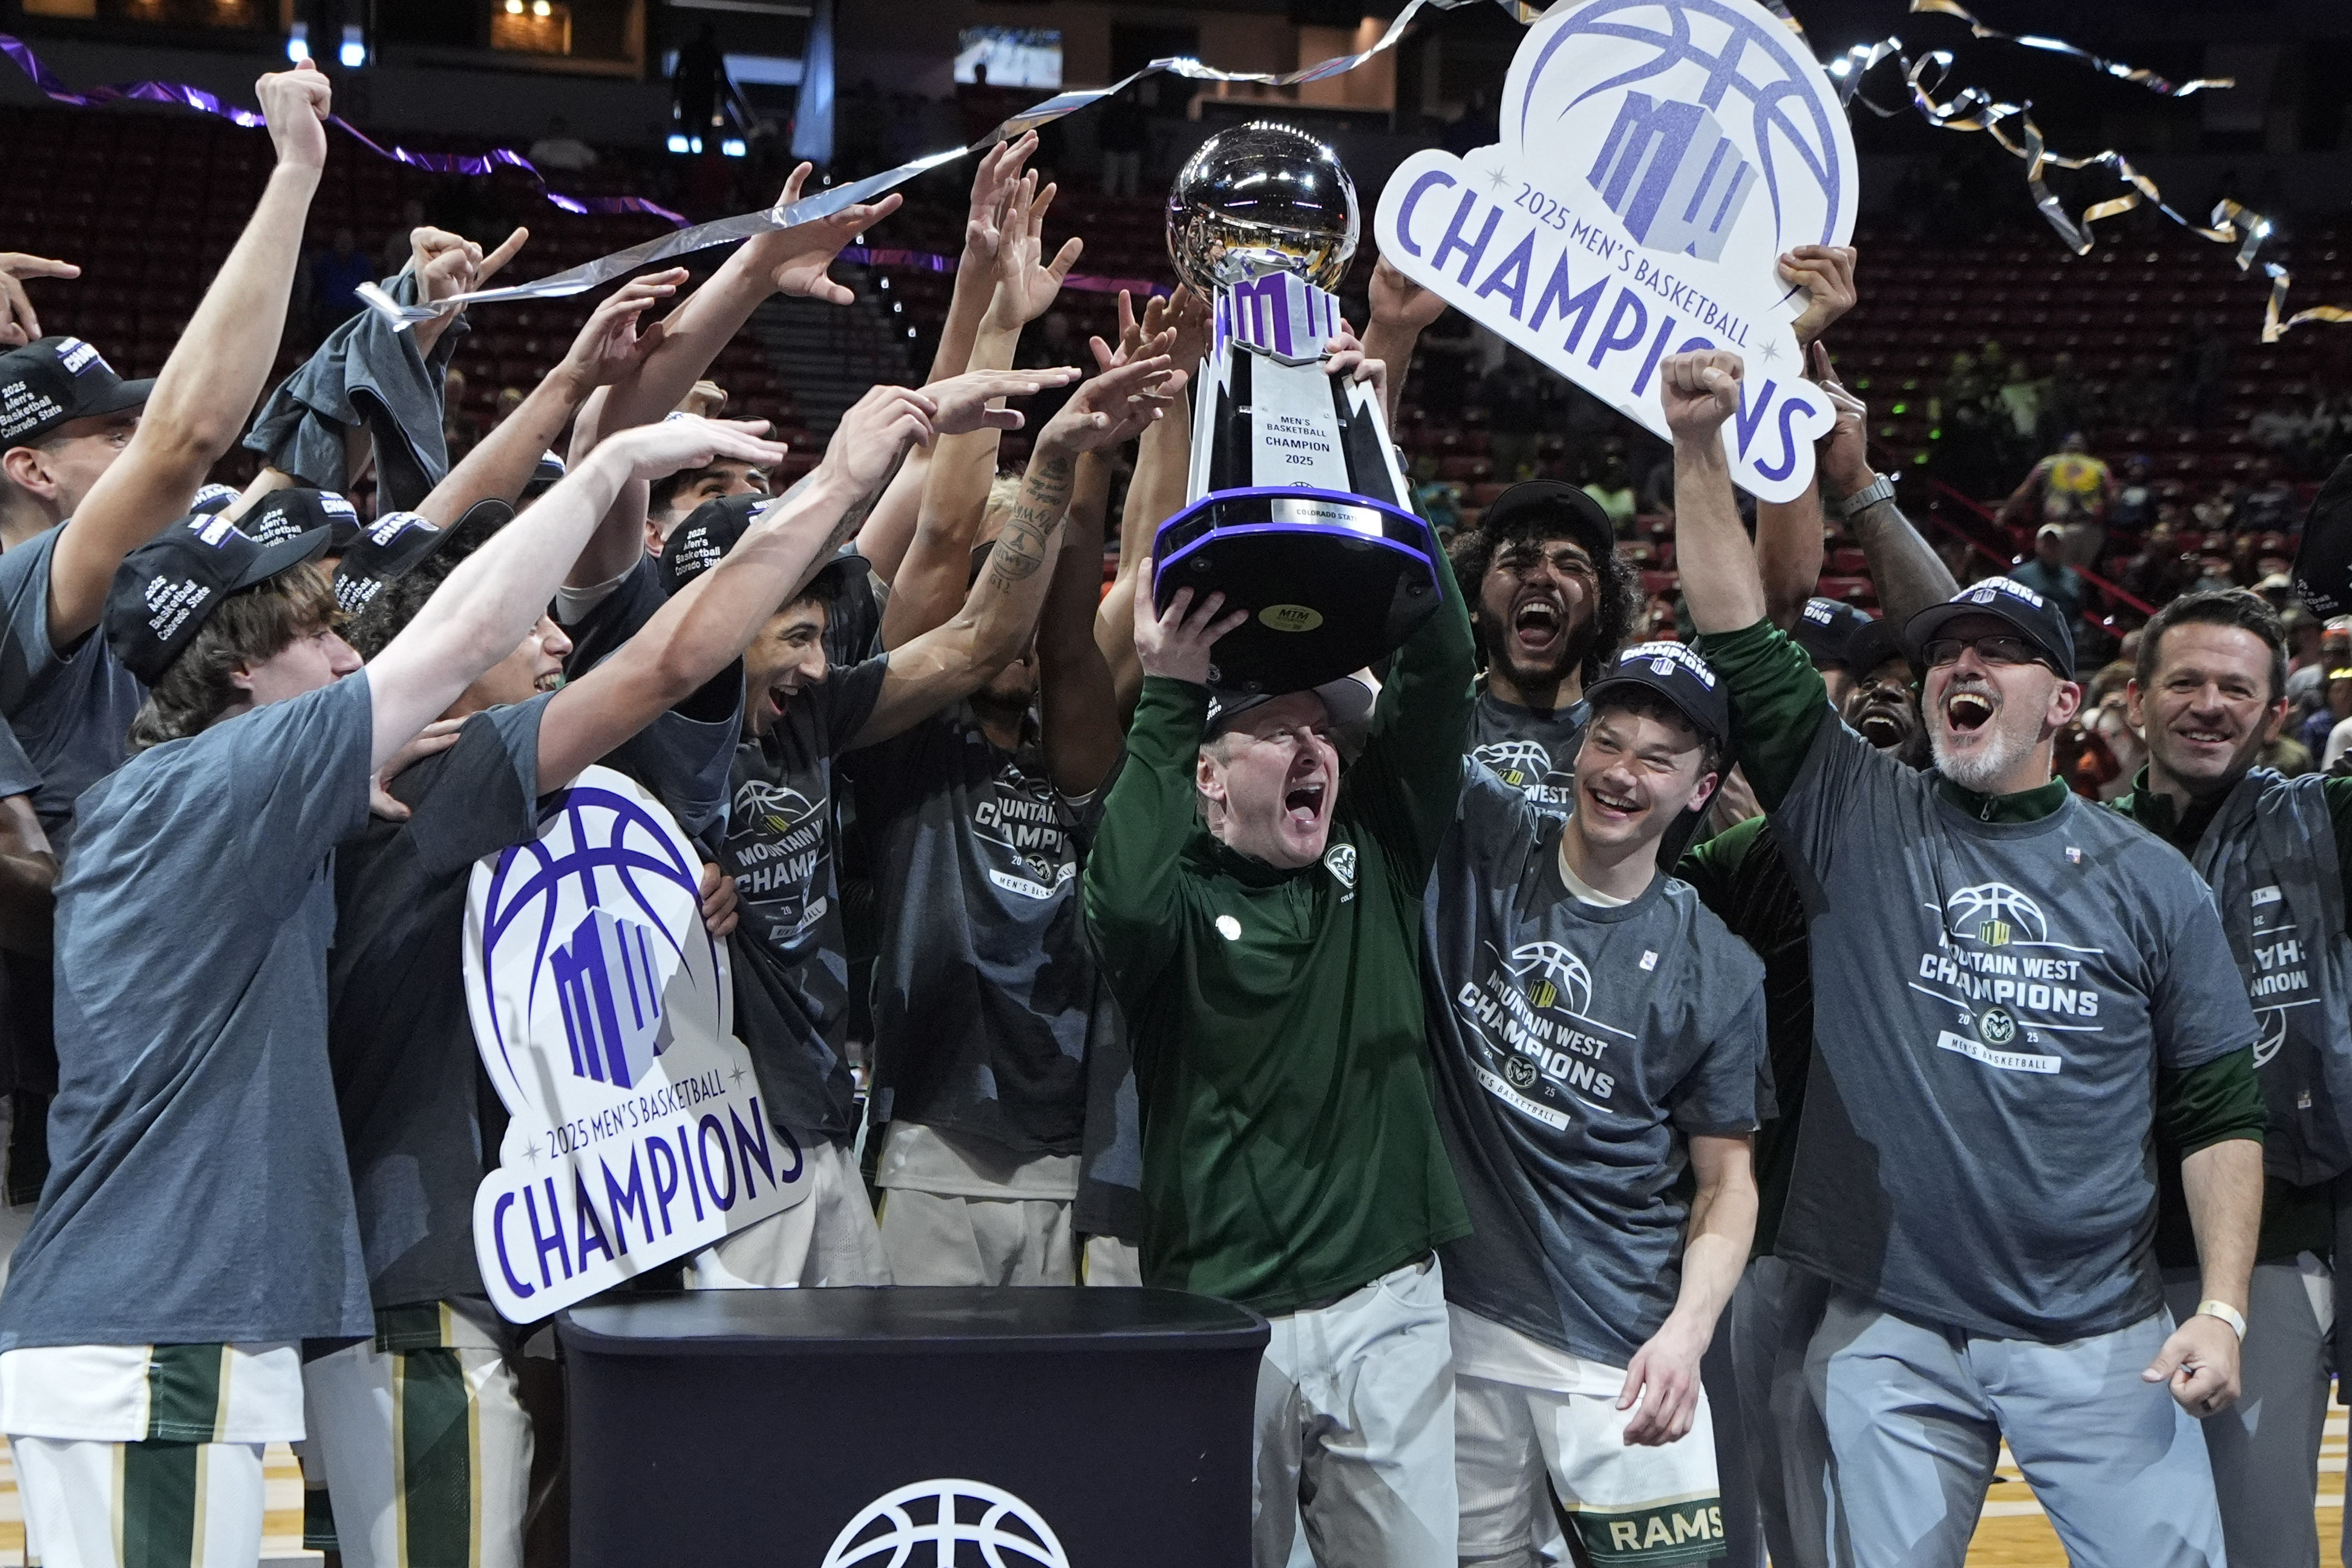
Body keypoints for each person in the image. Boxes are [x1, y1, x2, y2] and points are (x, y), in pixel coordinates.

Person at [0, 76, 789, 1530]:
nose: (349, 646)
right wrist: (605, 452)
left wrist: (571, 405)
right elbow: (422, 605)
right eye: (313, 633)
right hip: (149, 1301)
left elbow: (406, 569)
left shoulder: (215, 736)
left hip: (226, 1297)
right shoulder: (147, 732)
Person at [306, 376, 935, 1568]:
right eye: (519, 621)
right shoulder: (450, 782)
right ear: (434, 650)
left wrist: (671, 894)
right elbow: (659, 659)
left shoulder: (394, 790)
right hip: (428, 1282)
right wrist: (842, 477)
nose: (548, 636)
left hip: (476, 1258)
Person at [1660, 347, 2265, 1567]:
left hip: (2094, 1338)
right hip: (1892, 1326)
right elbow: (1732, 630)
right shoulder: (1853, 808)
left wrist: (2217, 1306)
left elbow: (2213, 1105)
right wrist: (1692, 447)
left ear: (2062, 704)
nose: (1959, 668)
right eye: (1943, 652)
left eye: (1995, 654)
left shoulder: (2150, 877)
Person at [689, 353, 1171, 1293]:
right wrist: (1005, 345)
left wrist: (1155, 412)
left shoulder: (1076, 752)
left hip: (1075, 1157)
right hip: (915, 1145)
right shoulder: (899, 740)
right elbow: (949, 542)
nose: (1025, 632)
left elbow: (1108, 596)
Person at [1083, 440, 1476, 1564]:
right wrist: (1167, 693)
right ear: (1209, 773)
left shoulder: (1379, 853)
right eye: (1279, 731)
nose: (1315, 747)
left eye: (1324, 732)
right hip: (1222, 1315)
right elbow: (1115, 906)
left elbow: (1441, 666)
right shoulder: (1173, 900)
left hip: (1385, 1299)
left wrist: (1376, 444)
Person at [1424, 639, 1766, 1567]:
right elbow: (1391, 701)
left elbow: (1726, 1184)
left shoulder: (1719, 971)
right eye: (1607, 743)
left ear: (1699, 791)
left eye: (1657, 760)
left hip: (1619, 1348)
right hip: (1454, 1324)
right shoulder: (1480, 843)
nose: (1620, 774)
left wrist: (1685, 1335)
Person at [2111, 587, 2352, 1568]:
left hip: (2273, 1242)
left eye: (2234, 687)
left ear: (2273, 711)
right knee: (2137, 1542)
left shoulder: (2322, 821)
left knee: (2261, 1539)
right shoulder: (2078, 842)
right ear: (2135, 699)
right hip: (2105, 1252)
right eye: (2185, 681)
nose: (2209, 703)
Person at [1448, 483, 1637, 814]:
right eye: (1518, 562)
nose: (1542, 577)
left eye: (1572, 567)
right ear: (1473, 602)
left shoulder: (1634, 744)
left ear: (1604, 613)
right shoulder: (1432, 726)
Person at [1998, 431, 2114, 565]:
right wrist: (2106, 518)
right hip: (2090, 530)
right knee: (2081, 578)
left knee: (2058, 576)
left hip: (2058, 529)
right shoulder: (2099, 467)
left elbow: (2024, 491)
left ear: (2062, 447)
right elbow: (2113, 496)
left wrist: (2004, 514)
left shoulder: (2048, 464)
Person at [2008, 521, 2088, 648]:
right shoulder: (2020, 576)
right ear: (2037, 545)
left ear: (2062, 547)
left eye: (2055, 543)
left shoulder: (2073, 578)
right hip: (2029, 640)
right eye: (2046, 542)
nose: (2050, 546)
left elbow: (2078, 611)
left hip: (2063, 642)